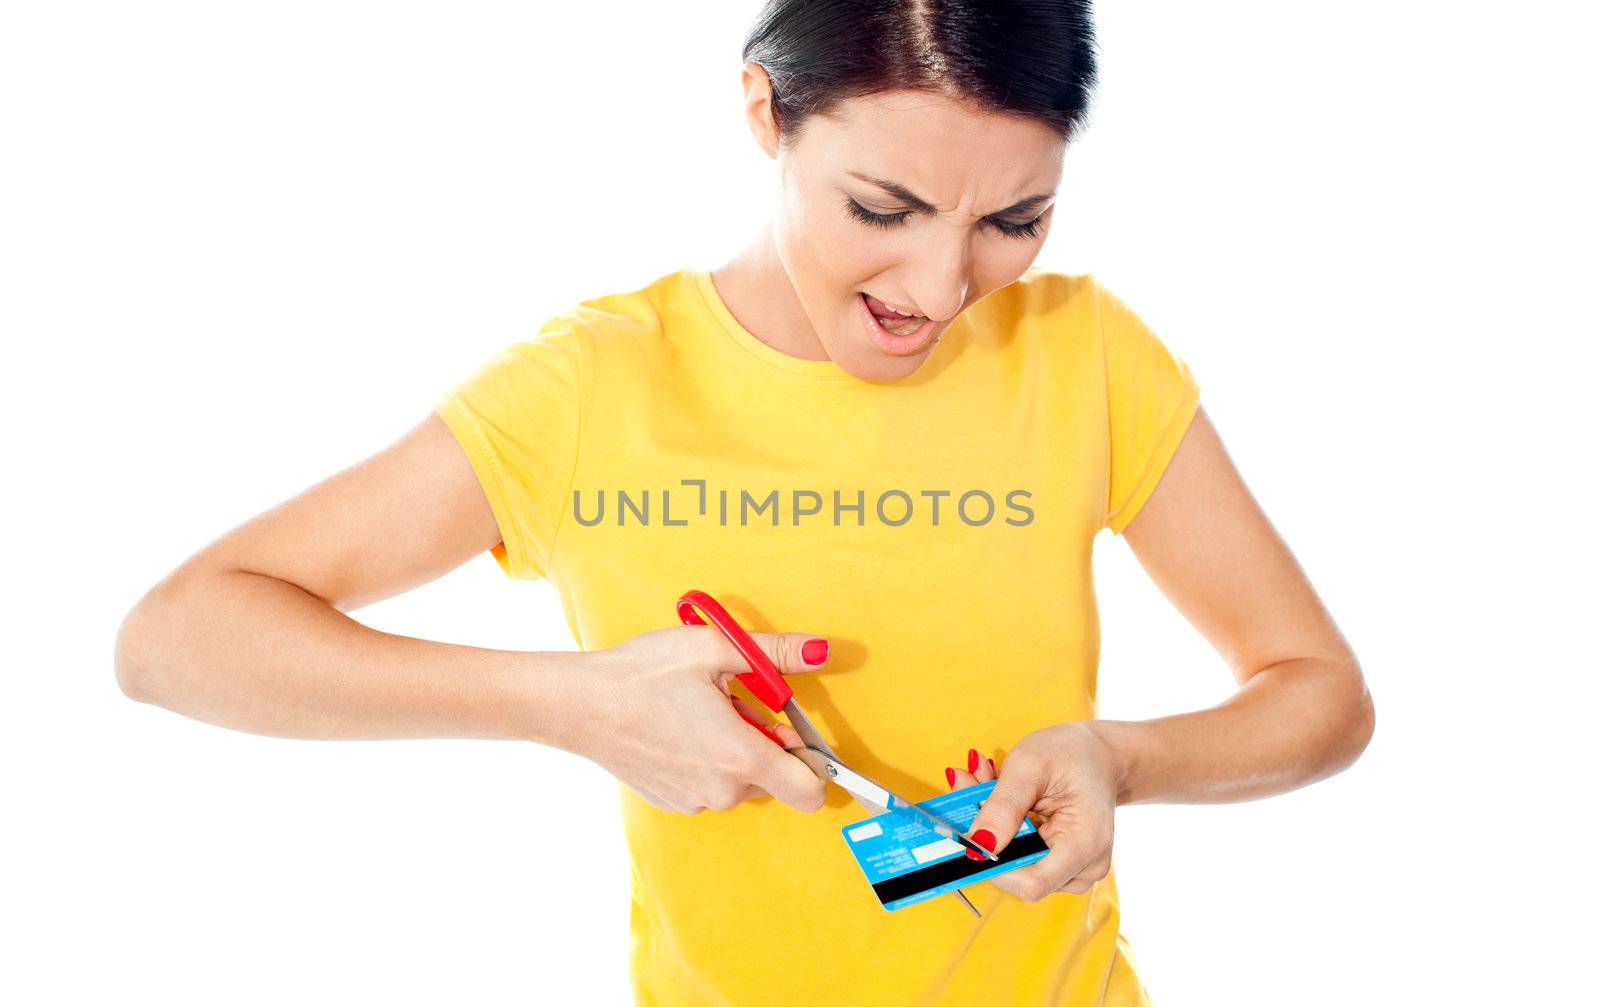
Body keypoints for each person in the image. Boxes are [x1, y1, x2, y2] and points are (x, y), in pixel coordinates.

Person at [114, 1, 1375, 1003]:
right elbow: (175, 639)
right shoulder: (590, 389)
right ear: (766, 116)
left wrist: (1125, 757)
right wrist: (571, 704)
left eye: (1012, 220)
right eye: (883, 208)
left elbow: (1316, 688)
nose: (937, 285)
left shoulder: (1087, 356)